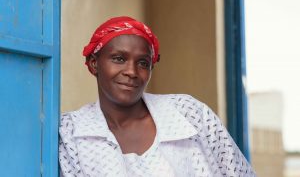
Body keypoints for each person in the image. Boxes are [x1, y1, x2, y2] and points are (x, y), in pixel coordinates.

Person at [59, 16, 256, 177]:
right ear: (94, 64)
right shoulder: (72, 131)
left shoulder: (188, 113)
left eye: (143, 63)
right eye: (119, 59)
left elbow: (240, 172)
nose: (132, 71)